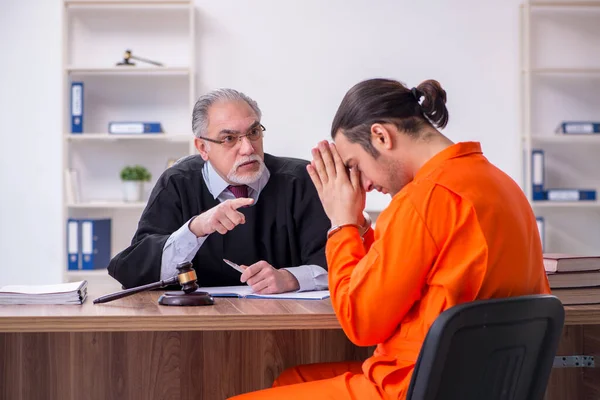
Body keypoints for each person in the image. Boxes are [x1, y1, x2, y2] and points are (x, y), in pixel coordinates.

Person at [230, 78, 551, 399]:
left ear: (381, 136)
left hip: (415, 386)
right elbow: (402, 275)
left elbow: (361, 324)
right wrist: (359, 228)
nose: (365, 185)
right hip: (478, 379)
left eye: (356, 165)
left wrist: (341, 224)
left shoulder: (423, 200)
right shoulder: (499, 183)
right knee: (292, 379)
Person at [107, 88, 337, 294]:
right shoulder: (177, 182)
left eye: (254, 132)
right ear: (202, 148)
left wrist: (291, 279)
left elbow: (339, 263)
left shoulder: (300, 179)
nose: (248, 148)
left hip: (286, 325)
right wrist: (195, 229)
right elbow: (133, 271)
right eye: (229, 138)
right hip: (196, 326)